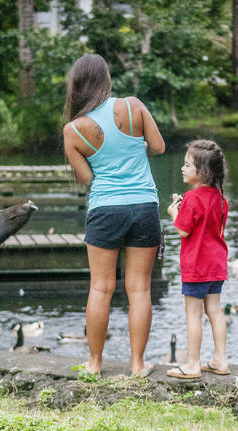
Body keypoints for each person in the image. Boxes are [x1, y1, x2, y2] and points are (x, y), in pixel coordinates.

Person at [62, 53, 165, 377]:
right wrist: (132, 148)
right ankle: (137, 364)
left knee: (100, 288)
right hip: (143, 206)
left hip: (105, 208)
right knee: (139, 289)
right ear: (105, 79)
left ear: (76, 86)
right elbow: (159, 146)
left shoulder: (72, 130)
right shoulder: (133, 106)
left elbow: (88, 179)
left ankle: (94, 364)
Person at [165, 139, 230, 379]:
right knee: (215, 311)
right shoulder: (221, 198)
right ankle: (221, 361)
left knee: (193, 314)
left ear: (202, 172)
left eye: (187, 165)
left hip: (196, 266)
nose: (183, 168)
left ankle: (193, 364)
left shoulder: (191, 198)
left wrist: (174, 212)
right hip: (216, 265)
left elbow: (183, 230)